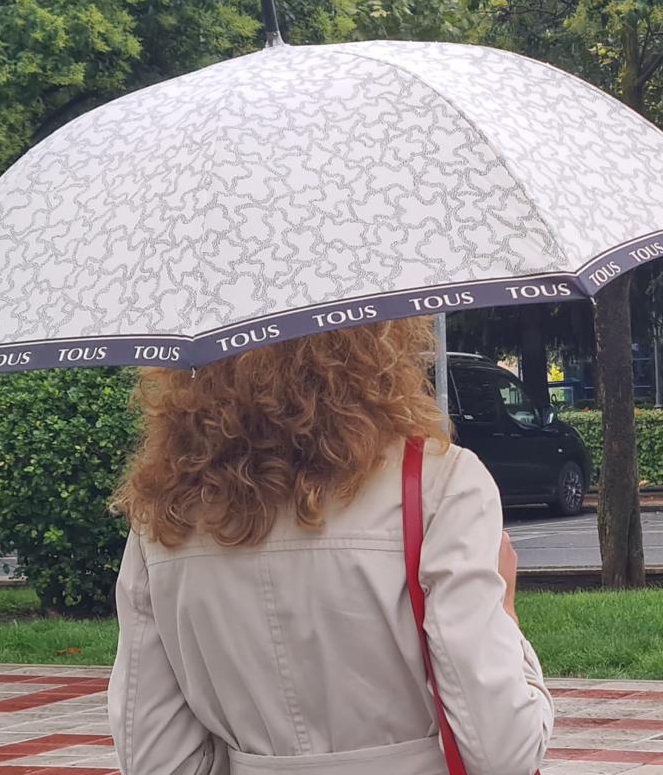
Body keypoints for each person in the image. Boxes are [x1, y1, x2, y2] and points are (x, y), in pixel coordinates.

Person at [108, 318, 554, 775]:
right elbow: (503, 752)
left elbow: (152, 757)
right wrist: (506, 611)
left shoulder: (165, 515)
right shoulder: (439, 484)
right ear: (378, 339)